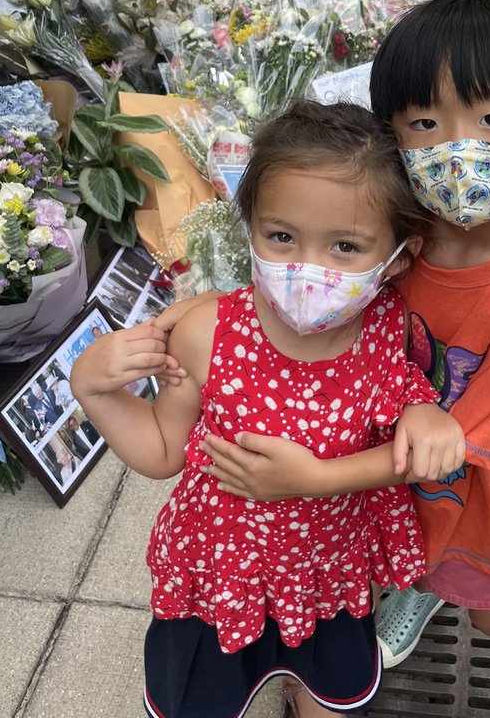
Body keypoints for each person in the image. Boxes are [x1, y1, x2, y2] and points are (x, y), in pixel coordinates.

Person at [189, 0, 490, 718]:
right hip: (383, 464)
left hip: (469, 492)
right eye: (425, 124)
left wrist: (313, 479)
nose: (457, 147)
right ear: (393, 136)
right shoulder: (404, 223)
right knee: (399, 555)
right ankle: (415, 585)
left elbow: (473, 441)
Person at [72, 100, 465, 718]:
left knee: (327, 689)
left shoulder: (384, 323)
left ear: (399, 257)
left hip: (329, 571)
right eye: (281, 237)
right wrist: (92, 388)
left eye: (345, 246)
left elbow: (400, 388)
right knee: (205, 693)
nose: (308, 269)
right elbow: (162, 450)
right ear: (248, 224)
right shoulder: (207, 333)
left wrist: (424, 411)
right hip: (223, 573)